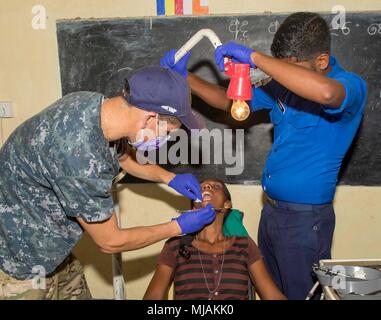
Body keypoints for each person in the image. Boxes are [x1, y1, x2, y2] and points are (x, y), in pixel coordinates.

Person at [160, 12, 367, 299]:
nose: (283, 76)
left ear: (321, 62)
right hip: (272, 213)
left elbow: (328, 94)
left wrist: (254, 59)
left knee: (302, 294)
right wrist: (186, 77)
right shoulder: (280, 87)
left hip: (305, 220)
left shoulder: (350, 85)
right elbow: (229, 102)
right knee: (271, 293)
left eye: (290, 69)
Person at [0, 66, 216, 299]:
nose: (165, 140)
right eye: (167, 133)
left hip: (54, 249)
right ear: (150, 118)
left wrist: (169, 177)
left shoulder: (97, 107)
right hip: (20, 265)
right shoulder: (79, 154)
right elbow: (110, 242)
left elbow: (122, 157)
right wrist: (178, 227)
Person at [144, 178, 286, 300]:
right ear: (194, 206)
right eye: (201, 187)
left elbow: (273, 296)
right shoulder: (175, 245)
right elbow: (153, 297)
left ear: (227, 205)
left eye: (215, 187)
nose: (206, 187)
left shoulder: (244, 245)